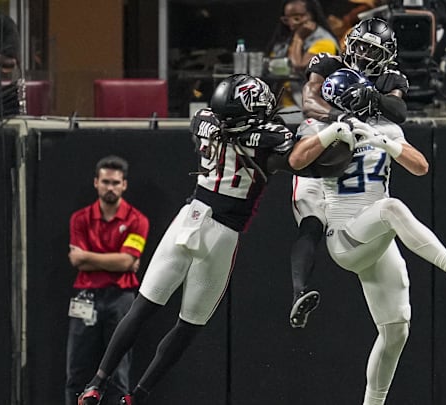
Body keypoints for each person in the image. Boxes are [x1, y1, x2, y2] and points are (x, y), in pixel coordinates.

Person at [77, 74, 355, 405]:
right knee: (188, 325)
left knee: (142, 308)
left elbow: (211, 125)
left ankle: (96, 382)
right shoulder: (266, 141)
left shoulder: (204, 120)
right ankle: (136, 396)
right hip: (222, 234)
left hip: (188, 219)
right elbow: (310, 166)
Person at [288, 67, 446, 405]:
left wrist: (383, 141)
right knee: (391, 208)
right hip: (344, 236)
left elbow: (421, 166)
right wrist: (331, 135)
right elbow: (296, 161)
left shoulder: (386, 126)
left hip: (376, 238)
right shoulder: (319, 127)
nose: (371, 101)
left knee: (396, 330)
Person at [288, 17, 410, 328]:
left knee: (363, 220)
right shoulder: (327, 63)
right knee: (312, 219)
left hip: (357, 155)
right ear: (349, 43)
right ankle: (298, 293)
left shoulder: (389, 78)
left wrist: (375, 98)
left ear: (386, 57)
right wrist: (338, 116)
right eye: (360, 47)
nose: (364, 56)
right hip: (320, 144)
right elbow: (309, 101)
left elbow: (399, 112)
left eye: (373, 52)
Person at [66, 156, 150, 405]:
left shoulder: (137, 220)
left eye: (115, 182)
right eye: (105, 182)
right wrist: (118, 260)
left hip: (121, 300)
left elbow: (127, 262)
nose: (110, 187)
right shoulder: (80, 219)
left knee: (117, 374)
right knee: (77, 371)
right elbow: (76, 261)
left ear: (124, 185)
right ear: (96, 183)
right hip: (85, 298)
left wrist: (88, 258)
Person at [266, 0, 339, 108]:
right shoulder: (285, 40)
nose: (292, 23)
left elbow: (299, 66)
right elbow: (270, 64)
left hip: (309, 105)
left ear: (312, 16)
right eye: (287, 19)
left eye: (297, 17)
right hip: (281, 103)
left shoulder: (324, 41)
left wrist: (298, 38)